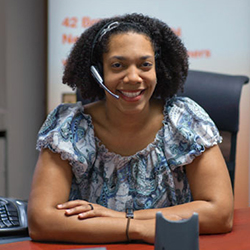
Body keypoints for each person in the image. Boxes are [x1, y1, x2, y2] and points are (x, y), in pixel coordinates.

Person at [27, 13, 233, 244]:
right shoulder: (69, 126)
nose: (134, 77)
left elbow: (220, 214)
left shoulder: (184, 120)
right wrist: (136, 230)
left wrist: (124, 217)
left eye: (145, 65)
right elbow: (41, 220)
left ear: (158, 68)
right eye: (118, 65)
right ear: (98, 72)